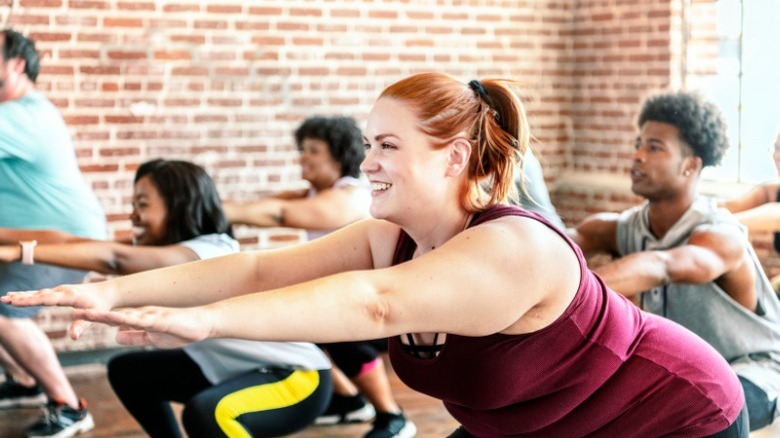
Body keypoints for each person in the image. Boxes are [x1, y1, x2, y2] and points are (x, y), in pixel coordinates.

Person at [5, 73, 749, 437]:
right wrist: (115, 296)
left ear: (455, 158)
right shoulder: (386, 235)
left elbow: (378, 302)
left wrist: (200, 323)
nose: (371, 164)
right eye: (369, 146)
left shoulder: (514, 246)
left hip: (668, 412)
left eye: (388, 146)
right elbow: (260, 267)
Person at [1, 158, 334, 437]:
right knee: (129, 371)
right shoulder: (169, 252)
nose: (133, 216)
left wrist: (19, 253)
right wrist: (11, 241)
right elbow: (70, 241)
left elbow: (113, 259)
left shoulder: (204, 252)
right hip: (232, 369)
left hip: (295, 378)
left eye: (142, 205)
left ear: (178, 206)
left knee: (207, 414)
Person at [568, 91, 780, 431]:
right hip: (681, 373)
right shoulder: (626, 226)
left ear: (690, 165)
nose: (637, 155)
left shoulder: (719, 234)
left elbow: (661, 265)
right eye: (638, 144)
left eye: (654, 148)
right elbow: (563, 241)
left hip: (750, 371)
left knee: (693, 409)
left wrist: (569, 295)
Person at [224, 115, 415, 438]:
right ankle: (349, 401)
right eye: (302, 149)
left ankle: (392, 417)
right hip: (342, 297)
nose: (303, 157)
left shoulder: (352, 195)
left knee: (338, 337)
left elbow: (277, 213)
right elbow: (257, 206)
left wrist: (206, 210)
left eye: (313, 150)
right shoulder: (309, 194)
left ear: (338, 155)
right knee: (298, 330)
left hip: (381, 301)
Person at [0, 28, 107, 438]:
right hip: (32, 241)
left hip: (65, 244)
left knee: (4, 307)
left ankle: (69, 407)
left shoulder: (23, 115)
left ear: (17, 64)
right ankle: (25, 382)